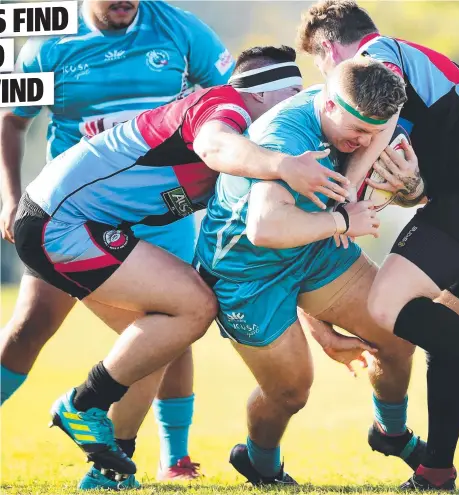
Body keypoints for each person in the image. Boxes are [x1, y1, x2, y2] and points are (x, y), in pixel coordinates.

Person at [13, 44, 350, 485]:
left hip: (80, 222)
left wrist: (318, 322)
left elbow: (278, 248)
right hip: (61, 220)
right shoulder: (222, 106)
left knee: (159, 335)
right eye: (291, 96)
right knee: (193, 307)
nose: (295, 113)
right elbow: (213, 145)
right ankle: (83, 405)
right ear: (264, 93)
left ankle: (110, 471)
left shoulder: (250, 152)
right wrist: (284, 165)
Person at [297, 0, 459, 490]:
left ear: (329, 47)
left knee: (387, 303)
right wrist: (409, 187)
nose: (328, 78)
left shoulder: (376, 56)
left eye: (320, 64)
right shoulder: (410, 79)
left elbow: (381, 124)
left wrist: (345, 195)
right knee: (443, 330)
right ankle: (436, 470)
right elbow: (418, 189)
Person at [0, 0, 235, 487]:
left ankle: (170, 458)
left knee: (170, 326)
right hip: (75, 213)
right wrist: (10, 197)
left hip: (161, 211)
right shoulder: (47, 44)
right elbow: (11, 120)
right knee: (29, 326)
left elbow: (233, 99)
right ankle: (109, 452)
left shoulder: (180, 28)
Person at [193, 56, 430, 485]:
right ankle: (260, 463)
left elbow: (391, 116)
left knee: (397, 333)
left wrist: (349, 191)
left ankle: (390, 433)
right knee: (291, 391)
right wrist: (343, 220)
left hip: (313, 248)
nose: (363, 141)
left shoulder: (363, 113)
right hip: (246, 272)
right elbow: (264, 228)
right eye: (356, 131)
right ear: (329, 104)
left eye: (372, 134)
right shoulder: (285, 136)